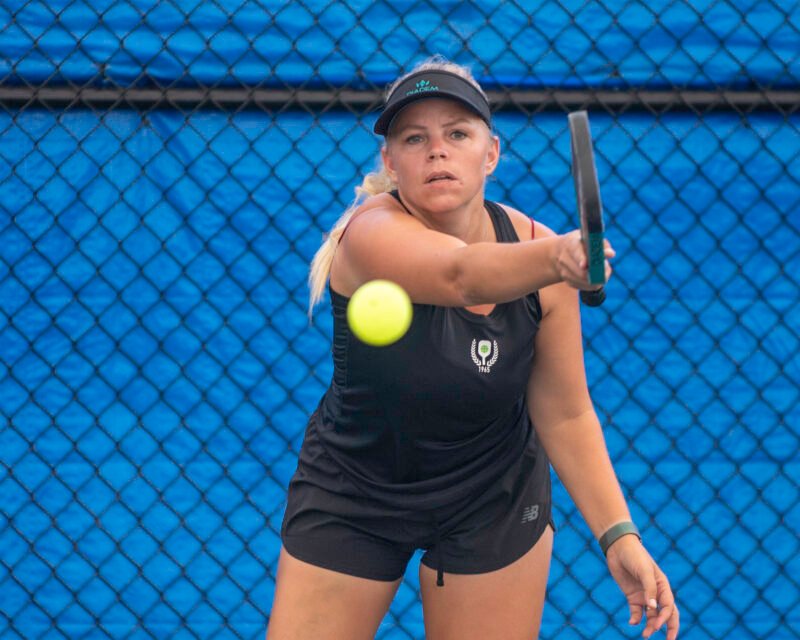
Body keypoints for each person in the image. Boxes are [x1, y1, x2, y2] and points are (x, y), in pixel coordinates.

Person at [266, 55, 679, 640]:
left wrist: (620, 535)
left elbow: (565, 411)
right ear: (391, 161)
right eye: (415, 138)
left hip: (493, 495)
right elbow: (460, 275)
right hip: (357, 491)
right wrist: (558, 260)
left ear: (490, 153)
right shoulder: (368, 235)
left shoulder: (536, 248)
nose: (437, 150)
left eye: (457, 133)